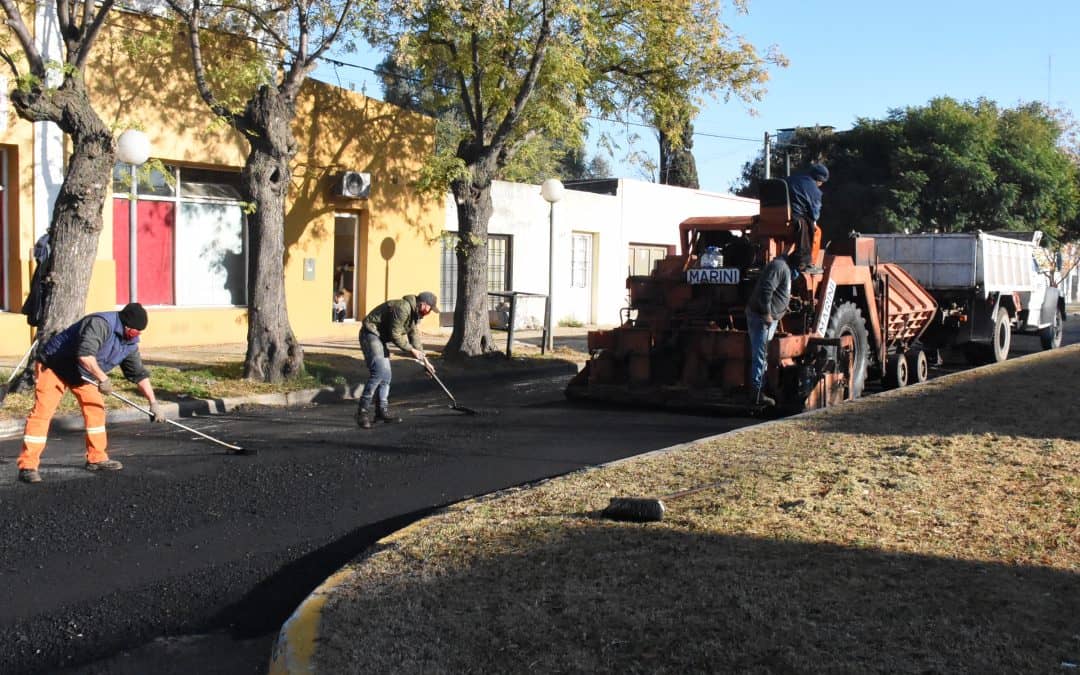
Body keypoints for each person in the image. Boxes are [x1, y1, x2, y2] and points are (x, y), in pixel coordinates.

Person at [17, 302, 166, 484]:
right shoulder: (100, 323)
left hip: (83, 374)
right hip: (55, 366)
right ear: (126, 325)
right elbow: (85, 355)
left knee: (96, 409)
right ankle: (28, 466)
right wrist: (103, 379)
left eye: (139, 333)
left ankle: (97, 458)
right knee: (42, 413)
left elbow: (138, 374)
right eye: (135, 331)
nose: (136, 335)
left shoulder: (130, 343)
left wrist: (153, 402)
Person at [355, 291, 438, 429]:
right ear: (424, 305)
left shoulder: (414, 314)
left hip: (380, 337)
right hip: (370, 333)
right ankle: (362, 412)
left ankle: (381, 411)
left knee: (386, 376)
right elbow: (395, 335)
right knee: (379, 372)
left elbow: (414, 337)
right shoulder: (403, 308)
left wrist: (425, 361)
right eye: (430, 309)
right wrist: (411, 350)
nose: (429, 313)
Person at [745, 254, 796, 407]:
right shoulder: (779, 267)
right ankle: (757, 393)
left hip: (766, 318)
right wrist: (767, 313)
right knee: (760, 353)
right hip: (761, 318)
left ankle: (760, 388)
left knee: (762, 353)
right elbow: (766, 290)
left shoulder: (783, 268)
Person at [782, 163, 828, 272]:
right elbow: (815, 215)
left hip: (772, 220)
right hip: (793, 222)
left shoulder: (788, 180)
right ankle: (808, 264)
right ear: (820, 181)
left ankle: (785, 257)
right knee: (816, 231)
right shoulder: (815, 191)